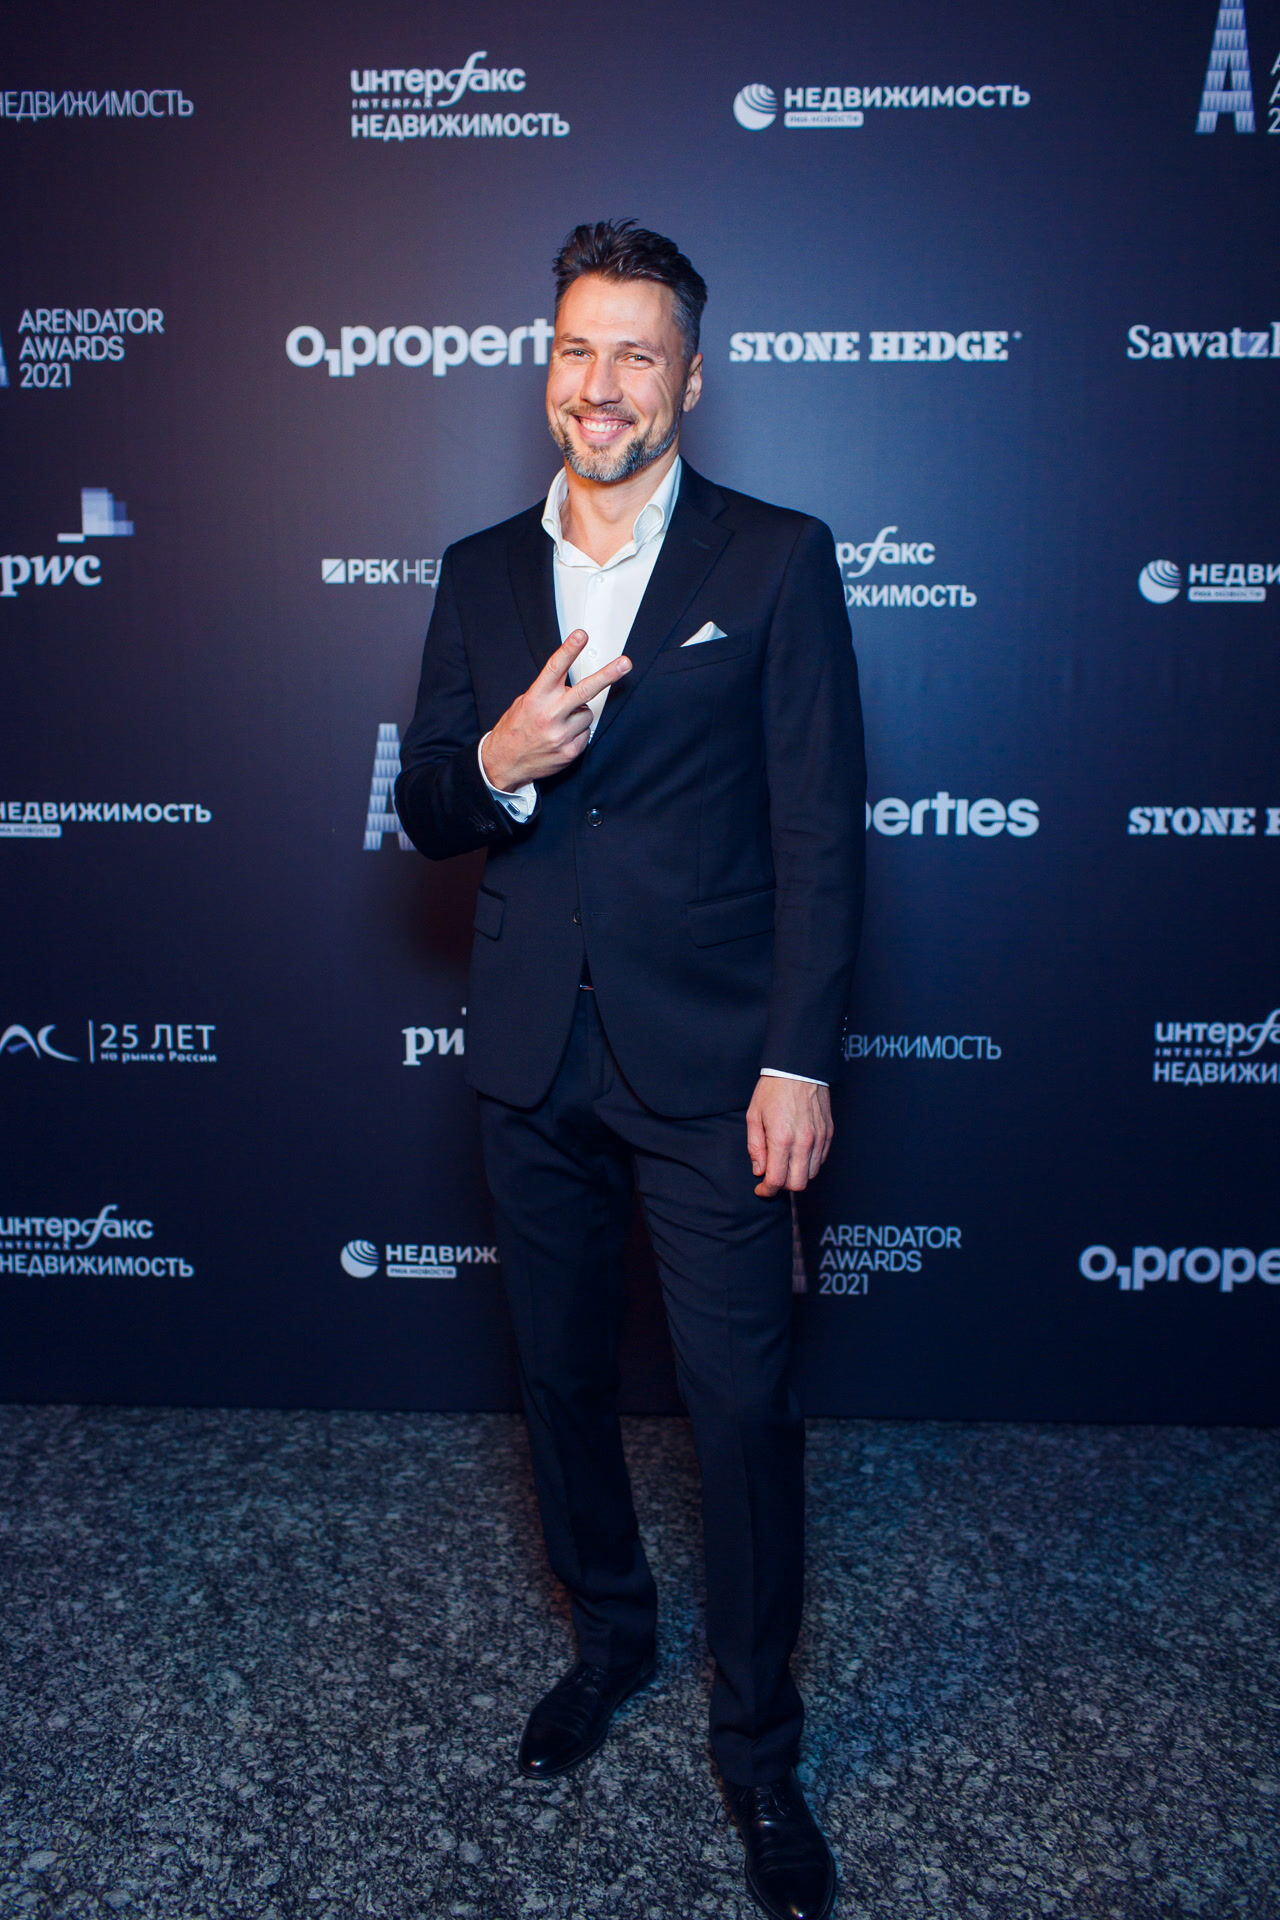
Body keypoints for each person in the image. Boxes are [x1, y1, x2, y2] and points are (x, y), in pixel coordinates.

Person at [396, 219, 865, 1920]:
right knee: (561, 1380)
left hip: (716, 1065)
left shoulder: (776, 559)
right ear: (550, 368)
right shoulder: (476, 571)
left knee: (739, 1412)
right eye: (577, 350)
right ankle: (608, 1639)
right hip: (534, 1056)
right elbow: (426, 804)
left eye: (637, 356)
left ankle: (759, 1751)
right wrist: (502, 758)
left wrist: (798, 1058)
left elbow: (820, 833)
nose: (601, 386)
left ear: (690, 380)